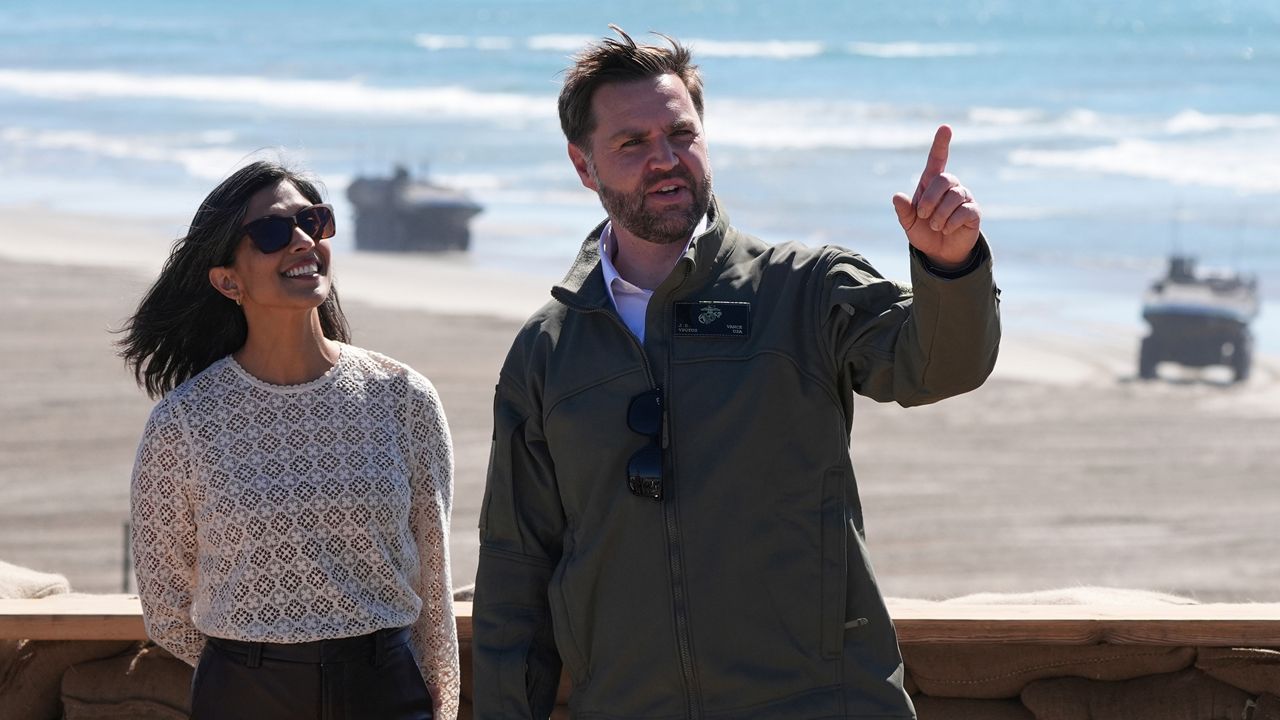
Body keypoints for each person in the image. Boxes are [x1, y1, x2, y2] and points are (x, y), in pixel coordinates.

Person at [473, 27, 1000, 720]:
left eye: (681, 134)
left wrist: (949, 267)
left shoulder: (803, 288)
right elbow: (515, 570)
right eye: (632, 143)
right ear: (583, 164)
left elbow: (937, 366)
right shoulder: (548, 349)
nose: (665, 160)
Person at [120, 160, 459, 720]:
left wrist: (440, 702)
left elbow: (433, 578)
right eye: (272, 232)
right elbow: (165, 604)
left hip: (384, 693)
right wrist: (253, 667)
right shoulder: (184, 422)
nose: (302, 240)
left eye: (313, 221)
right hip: (245, 698)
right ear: (228, 280)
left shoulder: (402, 397)